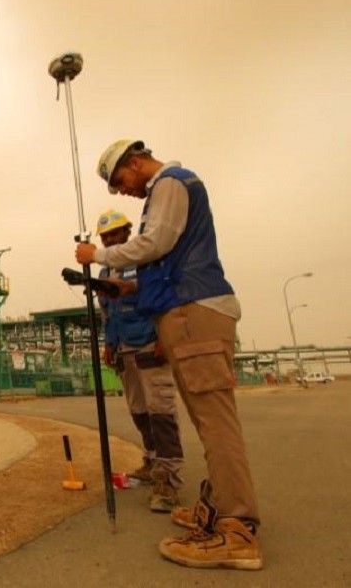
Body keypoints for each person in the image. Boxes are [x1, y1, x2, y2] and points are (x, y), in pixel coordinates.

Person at [76, 140, 262, 570]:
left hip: (192, 311)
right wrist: (129, 287)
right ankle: (218, 510)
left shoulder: (170, 185)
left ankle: (236, 530)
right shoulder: (166, 190)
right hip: (183, 308)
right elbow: (166, 259)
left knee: (215, 424)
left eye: (120, 181)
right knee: (207, 420)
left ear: (136, 163)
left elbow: (155, 243)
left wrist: (96, 255)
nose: (123, 191)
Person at [95, 209, 184, 513]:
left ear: (126, 233)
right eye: (105, 237)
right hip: (124, 348)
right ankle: (151, 459)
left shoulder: (146, 262)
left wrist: (164, 337)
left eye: (114, 234)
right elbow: (106, 312)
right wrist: (109, 344)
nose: (109, 240)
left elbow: (162, 299)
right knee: (139, 410)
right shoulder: (105, 273)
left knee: (160, 410)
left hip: (148, 343)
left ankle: (168, 480)